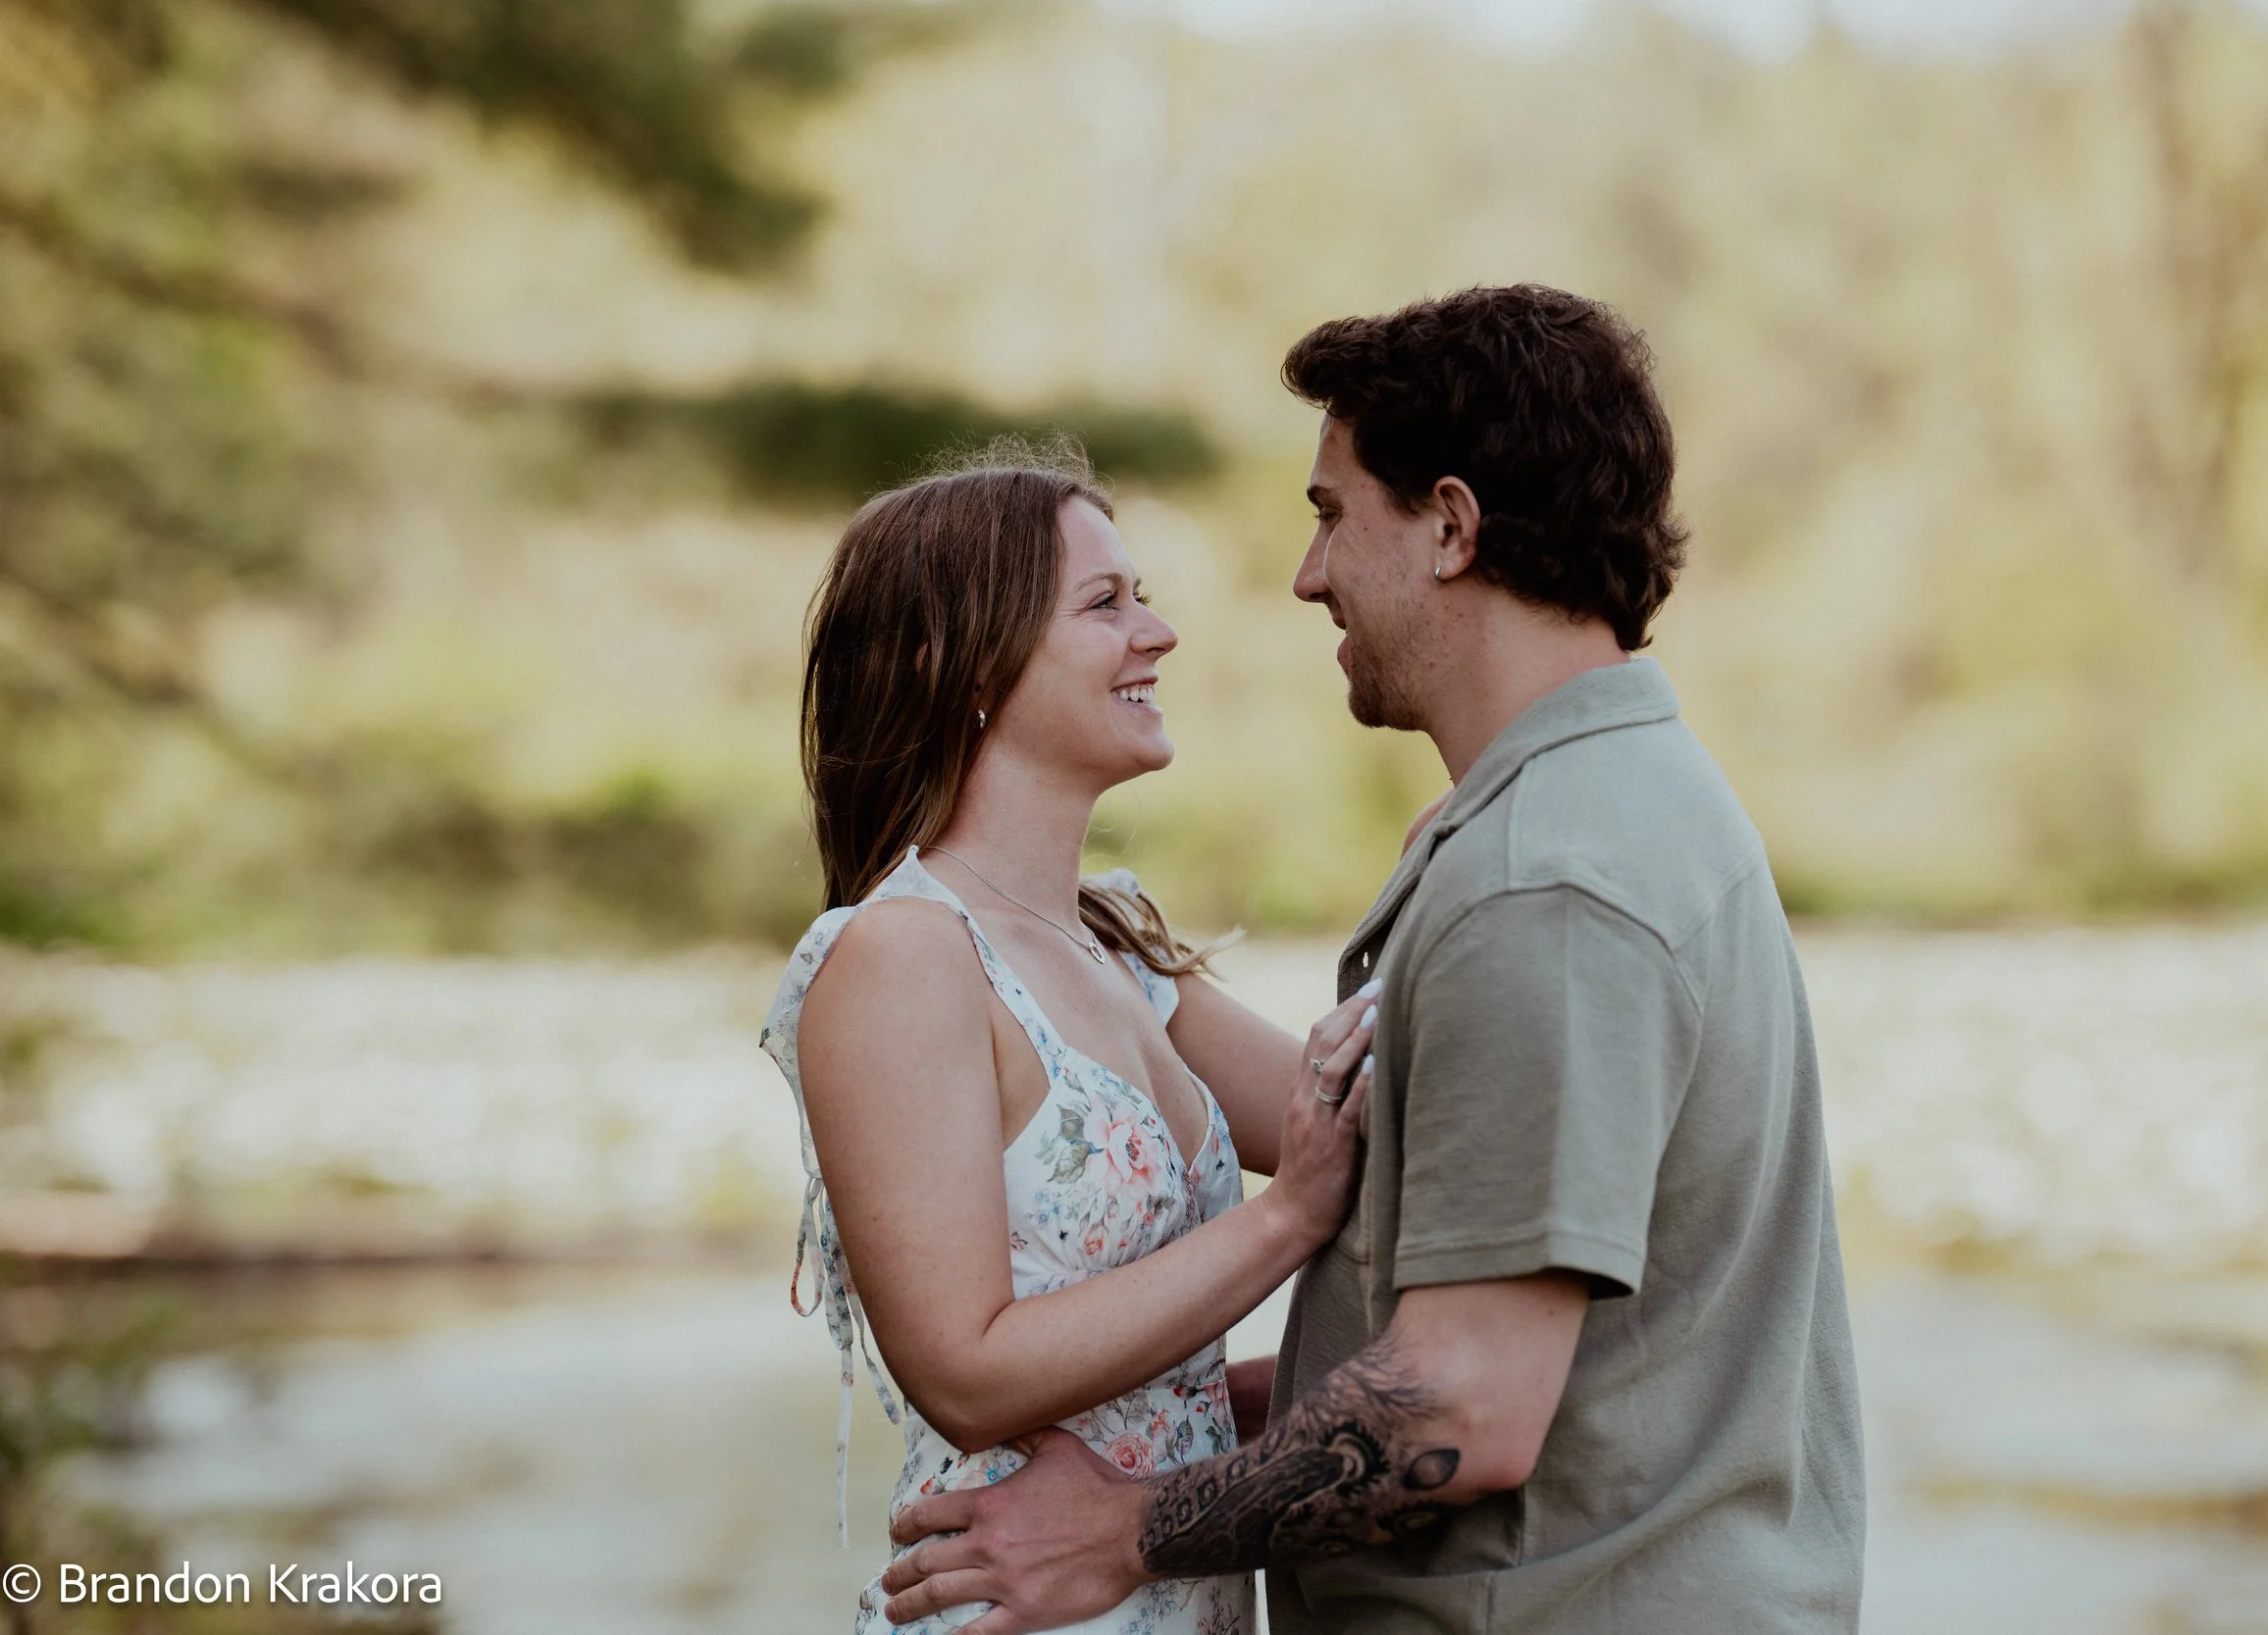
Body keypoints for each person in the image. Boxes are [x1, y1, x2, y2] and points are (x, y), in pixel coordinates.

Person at [876, 286, 1868, 1634]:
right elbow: (1527, 1333)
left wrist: (1124, 1529)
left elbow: (1463, 1405)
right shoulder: (1610, 808)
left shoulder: (1546, 878)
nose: (1307, 572)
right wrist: (1192, 1412)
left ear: (1452, 526)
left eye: (1334, 514)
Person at [759, 443, 1386, 1635]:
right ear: (964, 663)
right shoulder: (901, 955)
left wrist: (1460, 875)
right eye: (1106, 603)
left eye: (1139, 595)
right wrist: (1281, 1220)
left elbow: (1361, 1113)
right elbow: (968, 1367)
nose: (1159, 633)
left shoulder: (1118, 943)